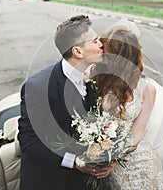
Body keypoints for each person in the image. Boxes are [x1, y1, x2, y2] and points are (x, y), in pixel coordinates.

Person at [92, 25, 163, 189]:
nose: (101, 56)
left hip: (136, 152)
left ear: (121, 58)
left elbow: (138, 132)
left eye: (107, 54)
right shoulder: (96, 77)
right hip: (105, 147)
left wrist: (115, 161)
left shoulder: (147, 89)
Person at [17, 15, 113, 190]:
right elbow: (28, 141)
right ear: (78, 52)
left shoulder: (92, 79)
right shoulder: (38, 87)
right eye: (95, 41)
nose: (101, 44)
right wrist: (74, 162)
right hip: (49, 180)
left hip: (84, 181)